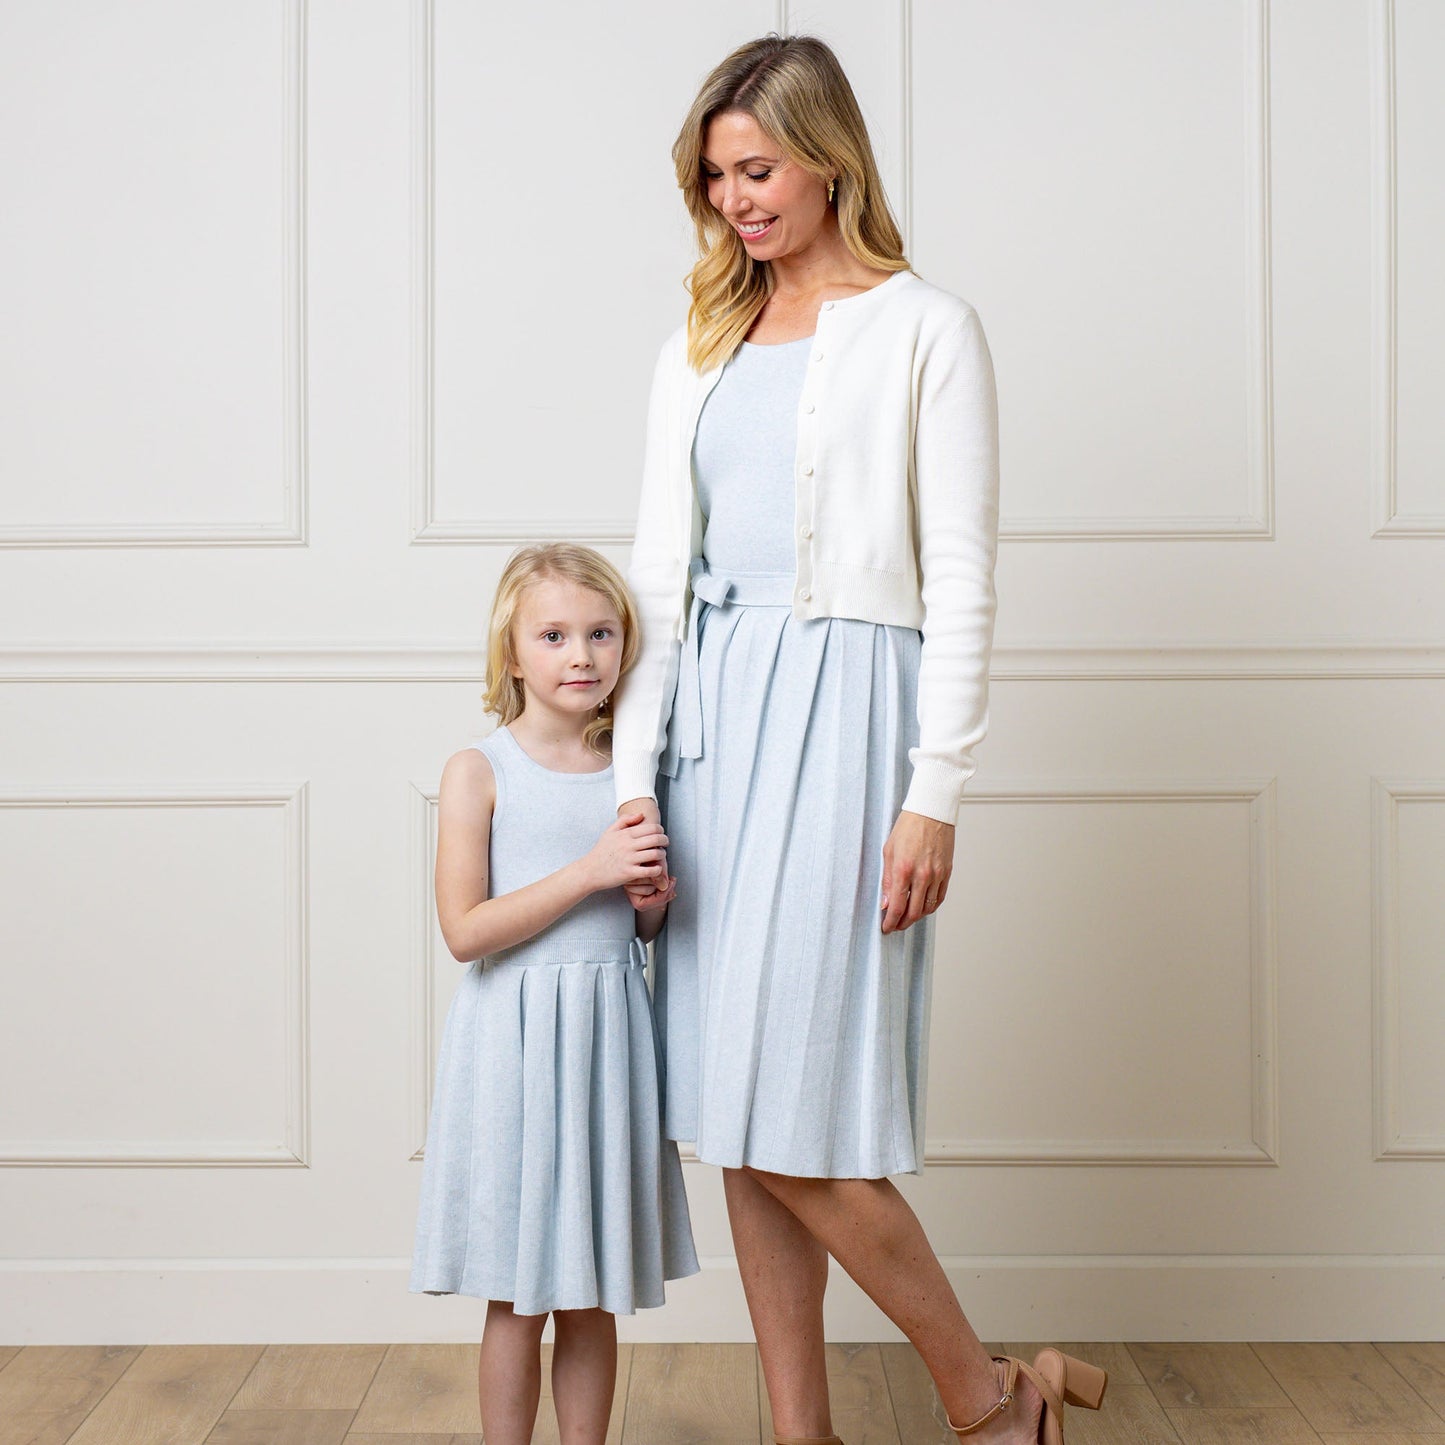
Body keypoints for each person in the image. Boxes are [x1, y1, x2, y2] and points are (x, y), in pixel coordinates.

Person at [611, 35, 1105, 1445]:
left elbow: (962, 573)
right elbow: (655, 580)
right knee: (735, 1103)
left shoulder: (927, 328)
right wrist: (637, 783)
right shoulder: (696, 342)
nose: (733, 201)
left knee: (799, 1105)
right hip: (713, 726)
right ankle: (799, 1430)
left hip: (852, 723)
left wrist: (931, 790)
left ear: (829, 156)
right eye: (713, 177)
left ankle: (990, 1395)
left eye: (756, 168)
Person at [411, 543, 697, 1445]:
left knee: (590, 1289)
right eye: (555, 634)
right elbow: (465, 930)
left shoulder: (634, 772)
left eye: (601, 632)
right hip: (514, 1050)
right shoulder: (479, 768)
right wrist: (591, 871)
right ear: (512, 653)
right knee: (518, 1290)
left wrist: (648, 905)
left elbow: (633, 929)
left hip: (607, 1044)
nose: (582, 654)